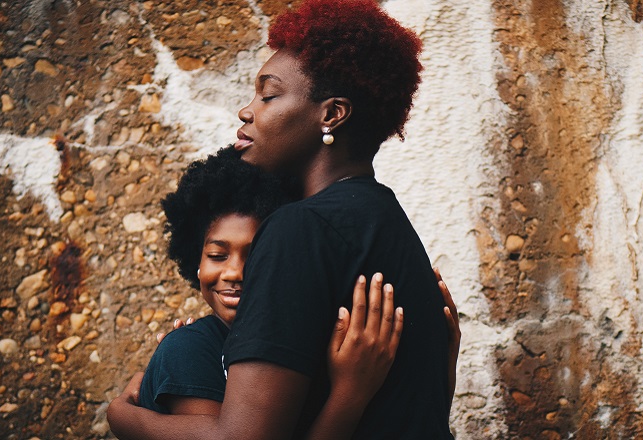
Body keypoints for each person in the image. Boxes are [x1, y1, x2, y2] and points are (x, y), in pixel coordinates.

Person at [107, 0, 459, 438]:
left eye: (269, 95)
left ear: (331, 114)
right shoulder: (388, 222)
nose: (247, 111)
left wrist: (128, 419)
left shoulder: (299, 228)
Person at [136, 147, 404, 437]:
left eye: (257, 255)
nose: (234, 273)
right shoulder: (189, 350)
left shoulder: (297, 341)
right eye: (217, 255)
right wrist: (350, 394)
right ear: (195, 262)